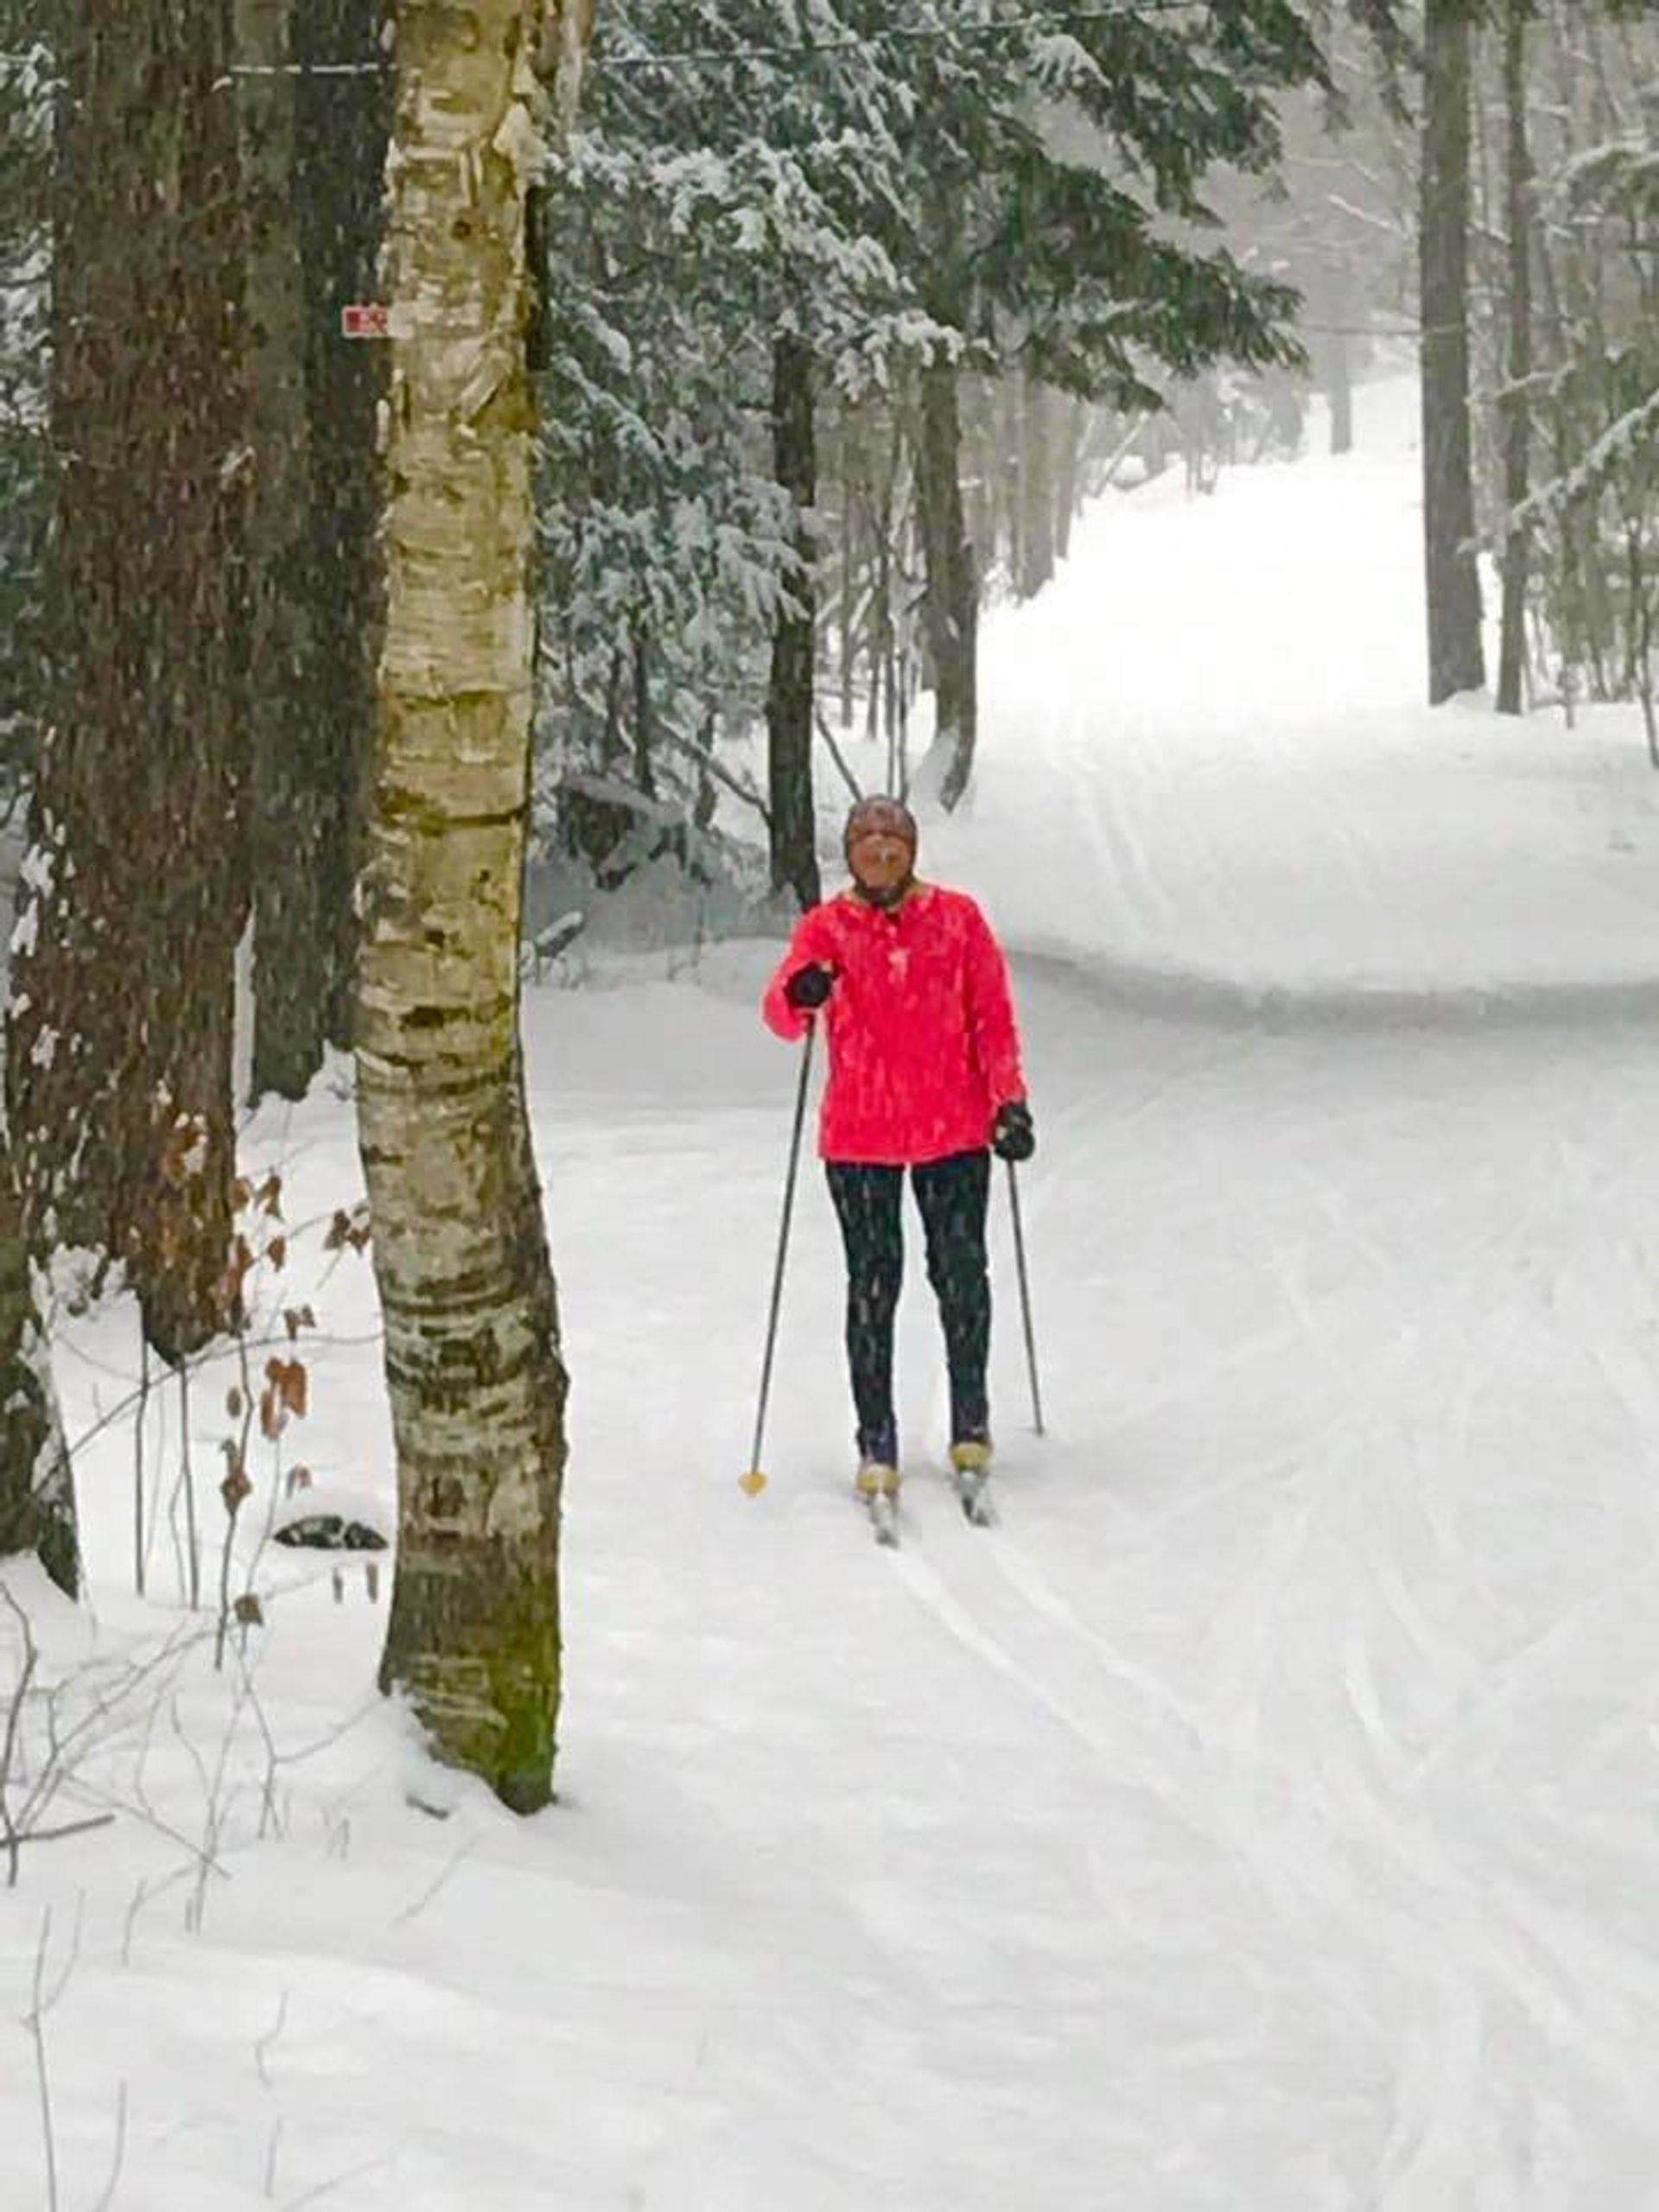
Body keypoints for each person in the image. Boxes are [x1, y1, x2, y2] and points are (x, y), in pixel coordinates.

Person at [761, 794, 1034, 1508]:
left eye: (893, 844)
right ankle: (875, 1435)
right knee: (873, 1283)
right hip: (861, 1134)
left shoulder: (957, 920)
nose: (880, 855)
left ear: (911, 851)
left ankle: (970, 1420)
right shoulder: (828, 928)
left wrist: (1009, 1101)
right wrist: (802, 991)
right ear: (850, 855)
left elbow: (992, 1018)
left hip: (954, 1126)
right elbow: (782, 1018)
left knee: (960, 1272)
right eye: (866, 844)